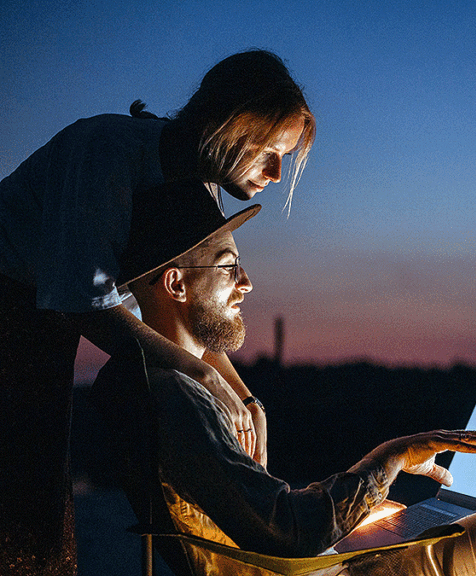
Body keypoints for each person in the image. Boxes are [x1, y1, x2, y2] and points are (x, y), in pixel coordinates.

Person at [91, 179, 476, 576]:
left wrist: (357, 517)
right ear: (176, 284)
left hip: (317, 555)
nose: (246, 283)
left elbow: (256, 511)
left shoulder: (179, 380)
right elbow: (287, 533)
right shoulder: (177, 397)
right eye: (229, 268)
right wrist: (388, 460)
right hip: (313, 569)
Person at [0, 49, 314, 575]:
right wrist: (199, 374)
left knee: (42, 496)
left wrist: (243, 394)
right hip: (10, 308)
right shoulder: (107, 152)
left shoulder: (201, 185)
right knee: (21, 508)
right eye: (267, 152)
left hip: (45, 320)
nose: (277, 174)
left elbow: (183, 311)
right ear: (227, 125)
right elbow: (88, 301)